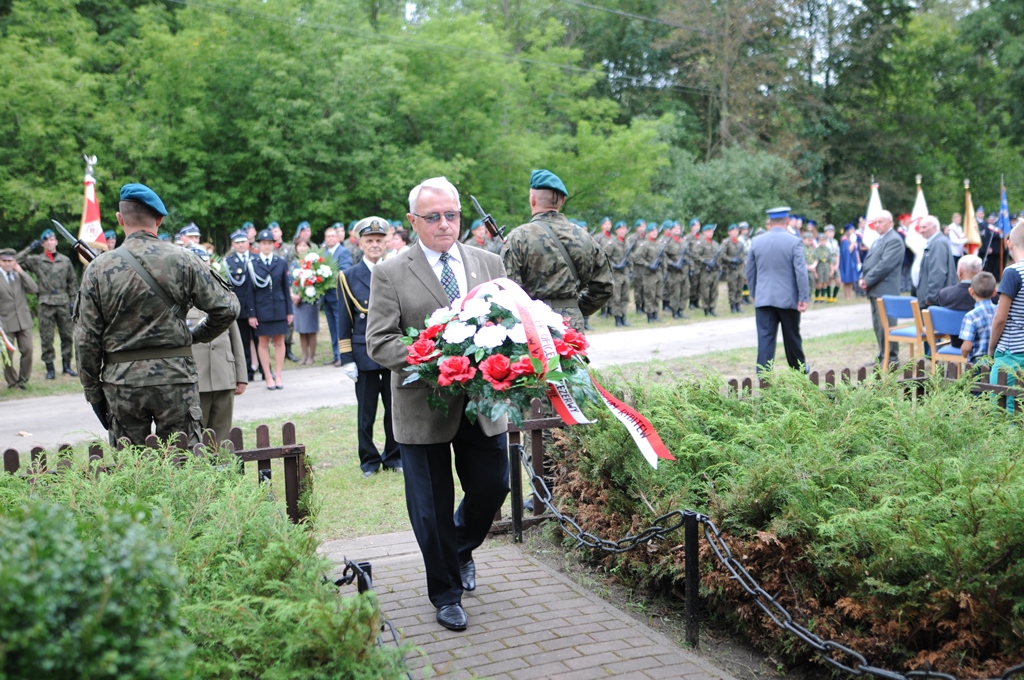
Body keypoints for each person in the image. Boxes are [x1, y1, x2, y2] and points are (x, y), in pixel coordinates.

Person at [365, 176, 510, 633]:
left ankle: (460, 546)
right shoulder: (390, 272)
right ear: (413, 221)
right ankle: (445, 592)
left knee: (493, 487)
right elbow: (379, 341)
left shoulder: (489, 263)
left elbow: (508, 322)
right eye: (433, 217)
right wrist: (434, 358)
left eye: (452, 215)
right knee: (429, 508)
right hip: (423, 404)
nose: (445, 224)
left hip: (481, 402)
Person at [74, 183, 239, 446]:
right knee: (182, 461)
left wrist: (93, 392)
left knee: (132, 469)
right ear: (159, 219)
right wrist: (195, 336)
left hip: (122, 382)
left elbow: (86, 339)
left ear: (120, 219)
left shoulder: (97, 269)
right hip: (175, 378)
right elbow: (228, 308)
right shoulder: (184, 259)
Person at [501, 169, 612, 333]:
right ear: (562, 200)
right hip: (570, 326)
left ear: (532, 200)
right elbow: (604, 286)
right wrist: (574, 308)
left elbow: (507, 290)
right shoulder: (585, 237)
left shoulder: (518, 238)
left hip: (532, 327)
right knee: (572, 360)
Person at [338, 216, 402, 478]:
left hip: (391, 351)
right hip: (362, 353)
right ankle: (369, 461)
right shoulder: (348, 276)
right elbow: (344, 319)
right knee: (366, 415)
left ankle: (394, 457)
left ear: (386, 242)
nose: (375, 245)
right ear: (360, 243)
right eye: (369, 240)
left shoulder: (396, 271)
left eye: (379, 240)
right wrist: (346, 358)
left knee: (394, 410)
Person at [186, 249, 247, 444]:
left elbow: (236, 340)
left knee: (222, 433)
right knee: (197, 434)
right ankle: (202, 472)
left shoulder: (223, 298)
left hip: (224, 374)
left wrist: (241, 376)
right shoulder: (181, 302)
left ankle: (223, 468)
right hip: (197, 377)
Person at [745, 206, 810, 373]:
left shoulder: (756, 241)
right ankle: (798, 371)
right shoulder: (794, 241)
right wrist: (803, 297)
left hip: (764, 299)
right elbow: (801, 272)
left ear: (770, 222)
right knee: (792, 338)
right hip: (788, 299)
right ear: (787, 221)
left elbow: (750, 272)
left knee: (765, 340)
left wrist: (754, 294)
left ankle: (764, 377)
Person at [16, 228, 78, 380]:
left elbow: (72, 283)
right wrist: (30, 248)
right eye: (46, 240)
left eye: (52, 239)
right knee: (46, 337)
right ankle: (50, 369)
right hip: (46, 303)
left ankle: (67, 366)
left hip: (63, 302)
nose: (50, 243)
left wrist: (73, 302)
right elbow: (16, 262)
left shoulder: (65, 260)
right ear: (43, 243)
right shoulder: (37, 260)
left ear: (56, 241)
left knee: (67, 336)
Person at [245, 228, 294, 389]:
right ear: (259, 245)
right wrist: (251, 314)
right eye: (264, 243)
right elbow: (249, 292)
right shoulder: (253, 264)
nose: (267, 246)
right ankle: (268, 376)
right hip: (261, 309)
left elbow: (285, 288)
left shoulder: (280, 262)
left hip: (279, 307)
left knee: (280, 341)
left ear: (274, 244)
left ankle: (278, 375)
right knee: (263, 342)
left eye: (269, 243)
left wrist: (289, 310)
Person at [859, 209, 906, 367]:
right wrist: (862, 278)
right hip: (875, 288)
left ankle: (891, 358)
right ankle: (882, 354)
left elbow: (884, 265)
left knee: (887, 323)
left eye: (880, 222)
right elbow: (869, 262)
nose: (877, 225)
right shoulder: (878, 240)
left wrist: (867, 280)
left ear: (890, 223)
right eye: (876, 222)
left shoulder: (894, 240)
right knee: (878, 325)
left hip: (886, 289)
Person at [988, 223, 1024, 412]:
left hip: (1012, 352)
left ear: (1009, 244)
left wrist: (991, 346)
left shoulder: (1013, 272)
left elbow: (1000, 317)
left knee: (1003, 408)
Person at [0, 248, 37, 390]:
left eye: (10, 261)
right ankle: (12, 381)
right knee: (7, 354)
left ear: (14, 261)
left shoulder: (18, 275)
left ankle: (23, 380)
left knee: (28, 350)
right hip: (5, 322)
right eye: (4, 261)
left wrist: (21, 272)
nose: (8, 264)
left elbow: (34, 289)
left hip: (23, 321)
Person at [320, 224, 354, 367]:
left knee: (341, 326)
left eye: (333, 236)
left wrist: (329, 278)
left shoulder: (343, 252)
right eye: (328, 236)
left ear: (338, 238)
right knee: (332, 327)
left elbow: (345, 271)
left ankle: (342, 355)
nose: (330, 239)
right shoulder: (324, 254)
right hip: (326, 296)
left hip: (339, 295)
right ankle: (335, 354)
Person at [911, 215, 957, 308]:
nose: (921, 230)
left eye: (924, 227)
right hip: (928, 298)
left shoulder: (938, 243)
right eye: (920, 227)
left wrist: (932, 297)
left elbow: (938, 273)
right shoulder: (931, 242)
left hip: (932, 301)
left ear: (935, 227)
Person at [290, 242, 320, 365]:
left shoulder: (314, 263)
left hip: (310, 299)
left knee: (311, 330)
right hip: (297, 302)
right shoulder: (293, 264)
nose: (302, 248)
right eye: (299, 246)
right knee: (301, 330)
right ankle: (304, 355)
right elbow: (289, 281)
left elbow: (318, 282)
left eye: (304, 246)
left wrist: (302, 294)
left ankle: (311, 356)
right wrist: (293, 295)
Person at [959, 272, 997, 364]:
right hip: (997, 359)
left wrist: (963, 353)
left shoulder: (971, 316)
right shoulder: (999, 311)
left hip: (978, 361)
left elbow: (967, 347)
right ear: (994, 293)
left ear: (971, 291)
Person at [632, 222, 665, 322]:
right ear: (648, 233)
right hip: (649, 274)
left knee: (658, 295)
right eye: (652, 231)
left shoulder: (658, 244)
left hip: (658, 273)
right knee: (650, 294)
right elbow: (636, 257)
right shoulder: (644, 244)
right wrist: (647, 265)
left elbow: (663, 258)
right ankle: (650, 315)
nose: (655, 233)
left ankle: (655, 314)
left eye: (656, 231)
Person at [692, 223, 721, 316]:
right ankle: (706, 308)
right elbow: (695, 255)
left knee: (714, 290)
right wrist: (705, 262)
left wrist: (718, 265)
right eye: (708, 231)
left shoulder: (715, 243)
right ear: (704, 232)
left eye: (712, 231)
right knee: (705, 290)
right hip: (705, 270)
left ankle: (712, 308)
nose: (710, 233)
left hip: (714, 270)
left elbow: (719, 257)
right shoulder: (700, 243)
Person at [608, 220, 632, 326]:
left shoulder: (627, 242)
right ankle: (617, 318)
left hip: (625, 273)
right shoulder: (612, 242)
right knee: (616, 297)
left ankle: (624, 316)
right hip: (616, 273)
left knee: (625, 297)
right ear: (616, 231)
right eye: (620, 229)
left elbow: (630, 258)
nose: (623, 231)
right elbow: (606, 257)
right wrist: (615, 265)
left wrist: (631, 270)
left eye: (624, 229)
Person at [664, 221, 687, 319]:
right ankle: (675, 311)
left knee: (685, 291)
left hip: (684, 270)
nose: (677, 230)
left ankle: (681, 310)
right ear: (671, 230)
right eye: (675, 228)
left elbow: (688, 254)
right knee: (675, 292)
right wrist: (672, 264)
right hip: (674, 271)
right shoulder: (668, 242)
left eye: (678, 228)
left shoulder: (683, 241)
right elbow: (664, 256)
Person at [722, 223, 745, 313]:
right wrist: (730, 260)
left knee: (740, 287)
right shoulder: (726, 242)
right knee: (732, 287)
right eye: (733, 231)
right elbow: (722, 254)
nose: (735, 233)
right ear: (729, 232)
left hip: (740, 268)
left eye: (736, 231)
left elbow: (742, 254)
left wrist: (741, 260)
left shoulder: (740, 243)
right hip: (731, 268)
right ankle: (733, 306)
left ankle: (738, 305)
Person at [839, 224, 861, 300]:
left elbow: (856, 251)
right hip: (846, 262)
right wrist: (853, 242)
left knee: (851, 280)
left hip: (852, 261)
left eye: (853, 230)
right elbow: (849, 250)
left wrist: (858, 262)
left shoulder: (851, 239)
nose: (853, 231)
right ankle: (847, 296)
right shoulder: (845, 240)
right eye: (851, 230)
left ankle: (850, 296)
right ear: (848, 231)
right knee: (847, 281)